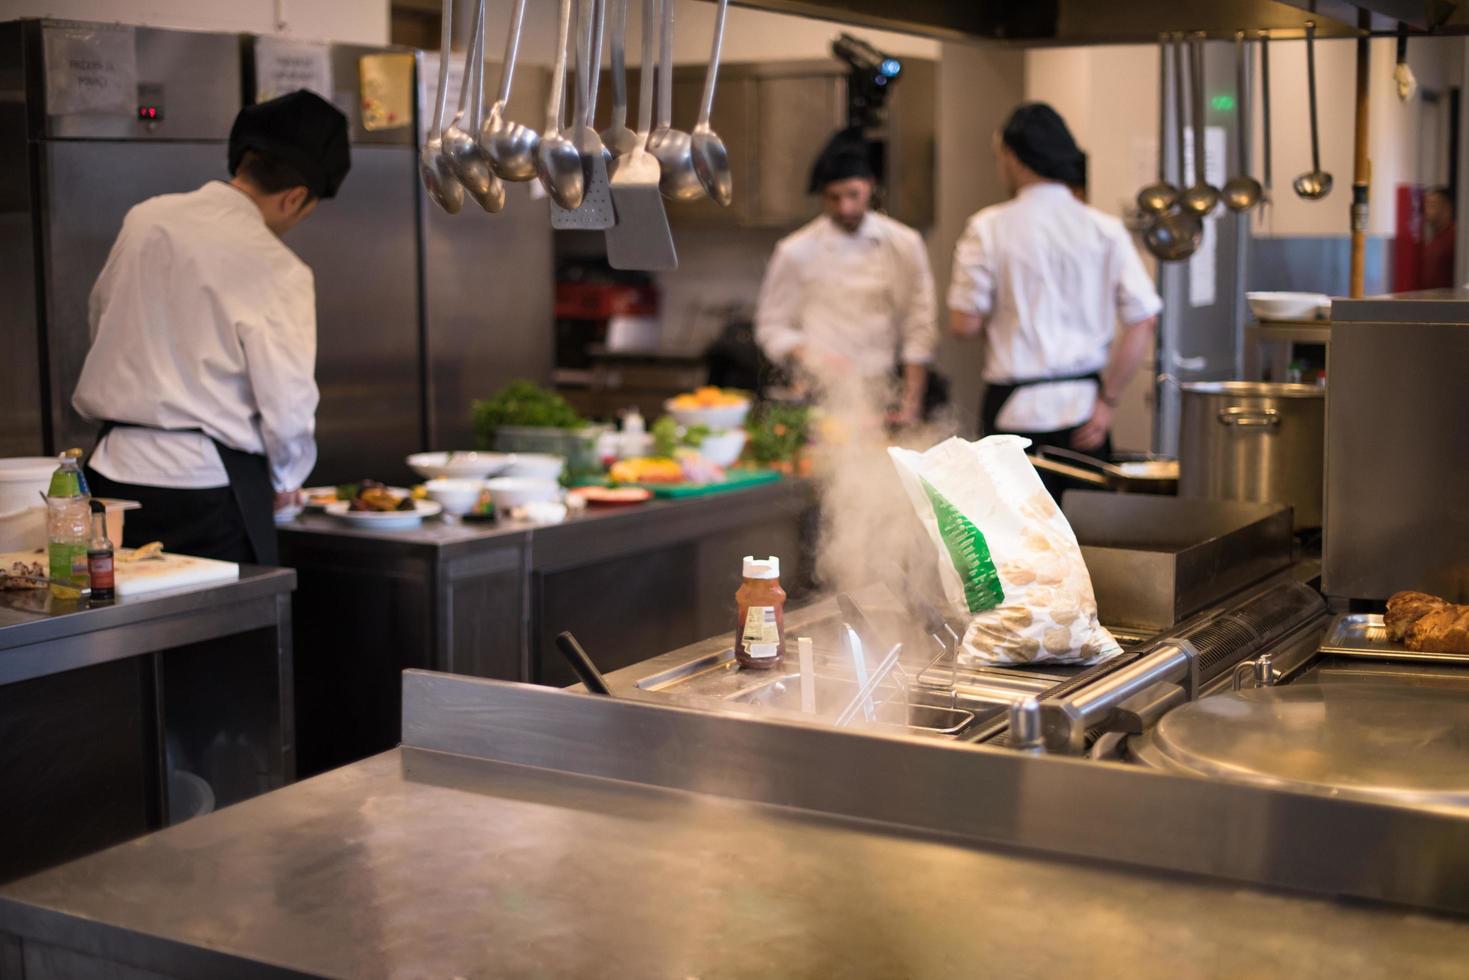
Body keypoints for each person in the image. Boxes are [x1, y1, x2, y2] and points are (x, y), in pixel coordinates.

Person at [72, 90, 350, 565]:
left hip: (110, 479)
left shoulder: (146, 219)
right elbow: (288, 401)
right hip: (207, 492)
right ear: (296, 196)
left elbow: (102, 317)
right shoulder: (277, 267)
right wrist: (286, 481)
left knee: (122, 632)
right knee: (218, 636)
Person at [948, 103, 1161, 458]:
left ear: (1013, 157)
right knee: (1084, 513)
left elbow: (963, 323)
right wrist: (1109, 401)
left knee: (1010, 515)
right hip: (1085, 410)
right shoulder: (1104, 228)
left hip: (1012, 412)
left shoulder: (988, 227)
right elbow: (1144, 319)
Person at [754, 128, 938, 424]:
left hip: (885, 389)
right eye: (833, 198)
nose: (845, 208)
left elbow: (920, 325)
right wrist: (812, 356)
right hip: (819, 393)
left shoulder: (904, 244)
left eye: (853, 195)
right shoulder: (795, 251)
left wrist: (911, 404)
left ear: (870, 185)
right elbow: (771, 327)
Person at [1421, 186, 1456, 289]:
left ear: (1446, 207)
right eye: (1426, 205)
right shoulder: (1432, 241)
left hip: (1449, 301)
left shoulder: (1455, 238)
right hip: (1429, 300)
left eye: (1432, 205)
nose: (1426, 210)